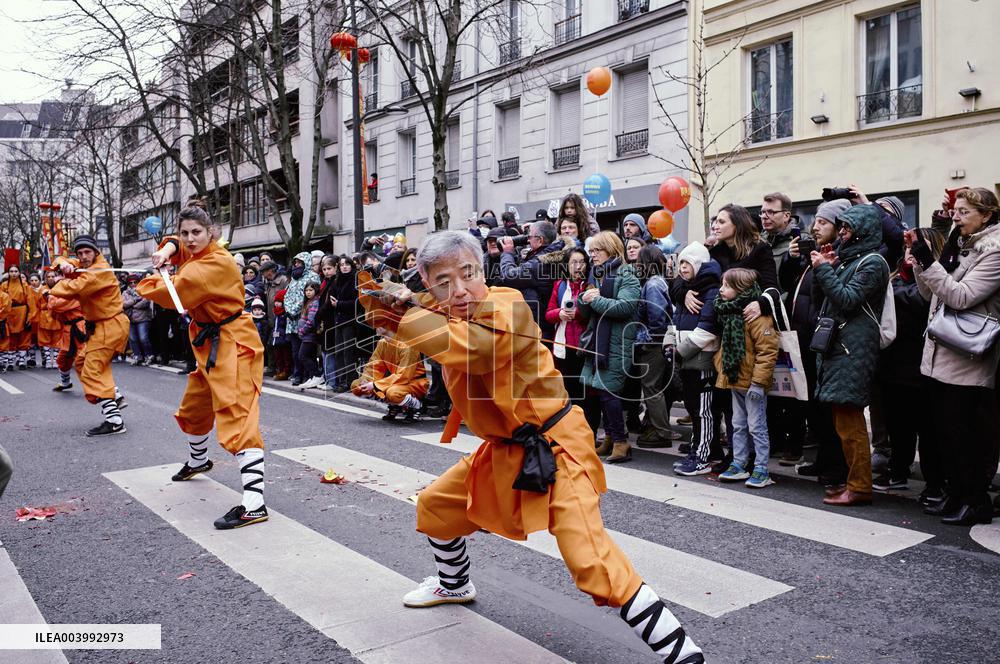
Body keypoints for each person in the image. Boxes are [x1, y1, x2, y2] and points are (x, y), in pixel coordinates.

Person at [365, 230, 704, 664]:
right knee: (436, 507)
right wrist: (398, 299)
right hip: (504, 450)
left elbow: (472, 346)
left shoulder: (507, 306)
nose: (459, 289)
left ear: (481, 270)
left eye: (467, 273)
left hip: (556, 446)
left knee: (591, 561)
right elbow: (386, 306)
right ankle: (454, 584)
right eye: (443, 281)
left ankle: (685, 655)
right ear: (429, 285)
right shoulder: (441, 309)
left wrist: (405, 313)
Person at [139, 201, 268, 530]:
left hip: (234, 343)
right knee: (194, 407)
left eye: (196, 232)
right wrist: (168, 248)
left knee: (237, 416)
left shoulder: (211, 265)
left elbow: (169, 293)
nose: (190, 239)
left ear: (211, 233)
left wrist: (146, 278)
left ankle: (254, 504)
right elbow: (179, 248)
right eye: (185, 233)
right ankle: (199, 461)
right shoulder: (193, 253)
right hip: (210, 343)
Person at [910, 187, 1000, 525]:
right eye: (955, 210)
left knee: (965, 436)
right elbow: (930, 296)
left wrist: (930, 263)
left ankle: (976, 500)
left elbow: (961, 297)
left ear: (987, 215)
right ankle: (957, 494)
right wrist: (922, 265)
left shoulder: (993, 251)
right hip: (940, 352)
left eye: (963, 212)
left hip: (968, 357)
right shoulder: (962, 245)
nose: (955, 217)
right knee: (946, 435)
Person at [811, 204, 890, 507]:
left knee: (850, 418)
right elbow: (827, 301)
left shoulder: (874, 263)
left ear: (862, 229)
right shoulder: (850, 260)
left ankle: (859, 486)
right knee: (842, 420)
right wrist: (828, 269)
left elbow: (846, 300)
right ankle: (853, 481)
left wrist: (824, 270)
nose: (841, 232)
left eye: (846, 227)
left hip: (853, 348)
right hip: (840, 345)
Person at [873, 229, 946, 499]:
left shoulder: (934, 282)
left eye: (919, 248)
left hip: (924, 365)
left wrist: (895, 294)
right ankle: (898, 471)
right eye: (909, 248)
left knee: (928, 430)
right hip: (893, 365)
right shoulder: (894, 278)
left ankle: (935, 482)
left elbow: (921, 302)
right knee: (898, 426)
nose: (910, 253)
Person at [784, 200, 850, 489]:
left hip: (824, 340)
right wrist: (792, 260)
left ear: (839, 227)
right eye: (816, 221)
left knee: (827, 409)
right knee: (814, 407)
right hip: (806, 339)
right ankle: (824, 459)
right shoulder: (814, 256)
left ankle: (837, 466)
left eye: (823, 222)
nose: (816, 226)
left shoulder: (837, 257)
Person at [50, 236, 129, 436]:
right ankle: (114, 395)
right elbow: (59, 260)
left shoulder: (98, 271)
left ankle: (114, 420)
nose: (84, 257)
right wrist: (64, 264)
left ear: (96, 252)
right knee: (82, 361)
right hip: (98, 327)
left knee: (92, 369)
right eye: (80, 254)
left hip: (110, 326)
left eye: (88, 252)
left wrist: (56, 283)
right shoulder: (85, 264)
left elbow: (73, 288)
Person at [714, 268, 780, 488]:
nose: (721, 290)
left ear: (741, 289)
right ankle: (739, 463)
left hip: (753, 382)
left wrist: (759, 383)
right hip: (736, 380)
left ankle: (761, 467)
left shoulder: (757, 316)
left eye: (727, 286)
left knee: (757, 426)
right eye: (722, 284)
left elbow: (767, 351)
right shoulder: (729, 313)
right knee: (738, 424)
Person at [579, 231, 640, 463]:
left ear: (611, 250)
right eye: (591, 251)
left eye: (596, 251)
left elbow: (625, 307)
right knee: (599, 393)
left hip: (617, 343)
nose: (592, 255)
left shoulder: (627, 273)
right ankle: (611, 437)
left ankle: (621, 442)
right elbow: (586, 312)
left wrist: (594, 299)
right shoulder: (597, 273)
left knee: (609, 393)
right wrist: (583, 299)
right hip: (598, 342)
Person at [670, 242, 723, 475]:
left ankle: (702, 458)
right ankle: (700, 449)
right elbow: (674, 321)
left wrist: (679, 351)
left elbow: (707, 330)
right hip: (686, 358)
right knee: (693, 408)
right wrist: (668, 343)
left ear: (699, 264)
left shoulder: (711, 290)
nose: (682, 267)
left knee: (704, 411)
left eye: (687, 263)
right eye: (680, 262)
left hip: (701, 359)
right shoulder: (686, 290)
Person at [633, 245, 677, 448]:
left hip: (653, 343)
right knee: (654, 387)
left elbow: (657, 316)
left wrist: (651, 341)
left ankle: (661, 432)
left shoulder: (652, 285)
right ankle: (655, 426)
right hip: (657, 341)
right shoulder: (658, 283)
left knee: (651, 387)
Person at [497, 220, 563, 333]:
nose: (527, 239)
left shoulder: (539, 263)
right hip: (541, 319)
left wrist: (508, 253)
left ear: (540, 240)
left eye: (530, 237)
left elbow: (509, 276)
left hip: (538, 325)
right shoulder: (552, 253)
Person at [351, 328, 429, 420]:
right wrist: (365, 380)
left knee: (392, 393)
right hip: (395, 382)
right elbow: (374, 367)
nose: (375, 326)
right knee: (356, 386)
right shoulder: (382, 343)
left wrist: (374, 385)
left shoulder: (407, 345)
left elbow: (404, 376)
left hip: (414, 383)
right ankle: (395, 404)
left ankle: (418, 405)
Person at [328, 255, 360, 391]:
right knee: (339, 352)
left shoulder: (356, 279)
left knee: (348, 352)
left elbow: (358, 302)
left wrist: (339, 304)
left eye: (347, 264)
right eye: (341, 265)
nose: (344, 266)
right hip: (338, 320)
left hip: (350, 320)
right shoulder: (337, 280)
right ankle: (342, 381)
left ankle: (350, 381)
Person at [283, 252, 313, 385]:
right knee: (295, 350)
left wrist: (296, 310)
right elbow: (286, 296)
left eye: (300, 263)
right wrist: (288, 310)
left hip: (304, 319)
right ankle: (297, 375)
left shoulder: (313, 277)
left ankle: (308, 375)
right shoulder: (293, 279)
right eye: (295, 263)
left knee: (306, 350)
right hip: (291, 321)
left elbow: (308, 296)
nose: (296, 265)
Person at [0, 265, 38, 370]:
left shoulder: (25, 285)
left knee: (24, 336)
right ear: (8, 273)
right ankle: (11, 362)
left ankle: (21, 361)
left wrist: (30, 315)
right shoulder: (4, 285)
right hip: (9, 313)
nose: (13, 273)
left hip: (22, 312)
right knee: (10, 337)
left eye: (16, 271)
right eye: (11, 271)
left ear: (19, 272)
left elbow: (30, 301)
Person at [297, 278, 324, 389]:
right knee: (310, 356)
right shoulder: (308, 302)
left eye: (311, 290)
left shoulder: (314, 303)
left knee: (302, 356)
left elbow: (311, 321)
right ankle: (313, 377)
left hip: (310, 335)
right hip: (306, 336)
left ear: (316, 291)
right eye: (306, 290)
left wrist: (302, 330)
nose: (308, 292)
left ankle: (317, 375)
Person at [123, 273, 155, 365]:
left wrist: (132, 304)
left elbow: (145, 302)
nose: (133, 284)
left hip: (143, 318)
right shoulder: (125, 293)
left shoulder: (143, 290)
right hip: (131, 318)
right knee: (132, 339)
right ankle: (138, 356)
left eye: (135, 282)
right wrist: (135, 300)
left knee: (143, 338)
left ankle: (149, 355)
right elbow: (123, 304)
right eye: (130, 282)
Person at [34, 270, 63, 370]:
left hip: (57, 316)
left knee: (57, 339)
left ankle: (55, 360)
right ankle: (47, 360)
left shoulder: (60, 288)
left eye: (52, 276)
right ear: (45, 278)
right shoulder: (41, 289)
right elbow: (37, 304)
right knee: (44, 340)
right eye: (48, 277)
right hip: (45, 316)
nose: (50, 278)